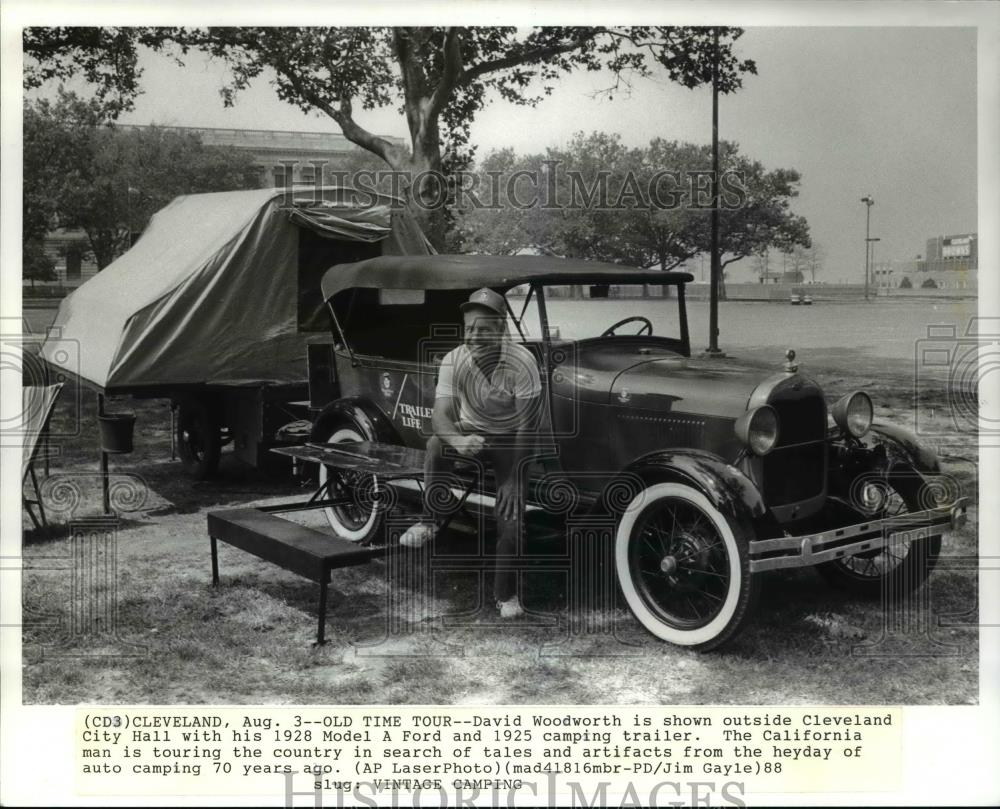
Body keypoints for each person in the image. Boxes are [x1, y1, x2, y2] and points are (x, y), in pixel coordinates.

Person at [400, 287, 542, 618]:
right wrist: (459, 441)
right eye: (469, 329)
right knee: (437, 443)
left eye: (484, 329)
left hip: (510, 442)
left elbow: (527, 427)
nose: (475, 336)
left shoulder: (522, 362)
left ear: (502, 329)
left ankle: (505, 595)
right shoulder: (454, 358)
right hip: (471, 435)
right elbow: (440, 416)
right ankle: (429, 520)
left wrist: (516, 481)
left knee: (511, 518)